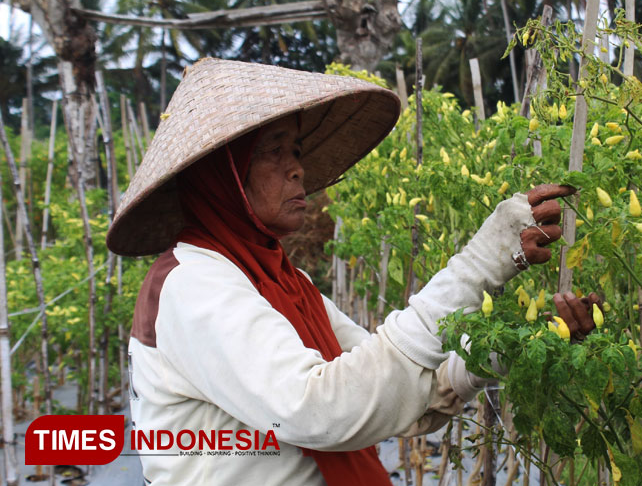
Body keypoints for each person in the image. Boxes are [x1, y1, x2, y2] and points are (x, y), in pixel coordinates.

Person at [106, 58, 600, 486]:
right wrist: (479, 264)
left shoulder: (281, 282)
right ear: (223, 174)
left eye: (296, 151)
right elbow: (323, 408)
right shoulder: (192, 286)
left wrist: (521, 344)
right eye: (273, 152)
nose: (297, 169)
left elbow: (395, 388)